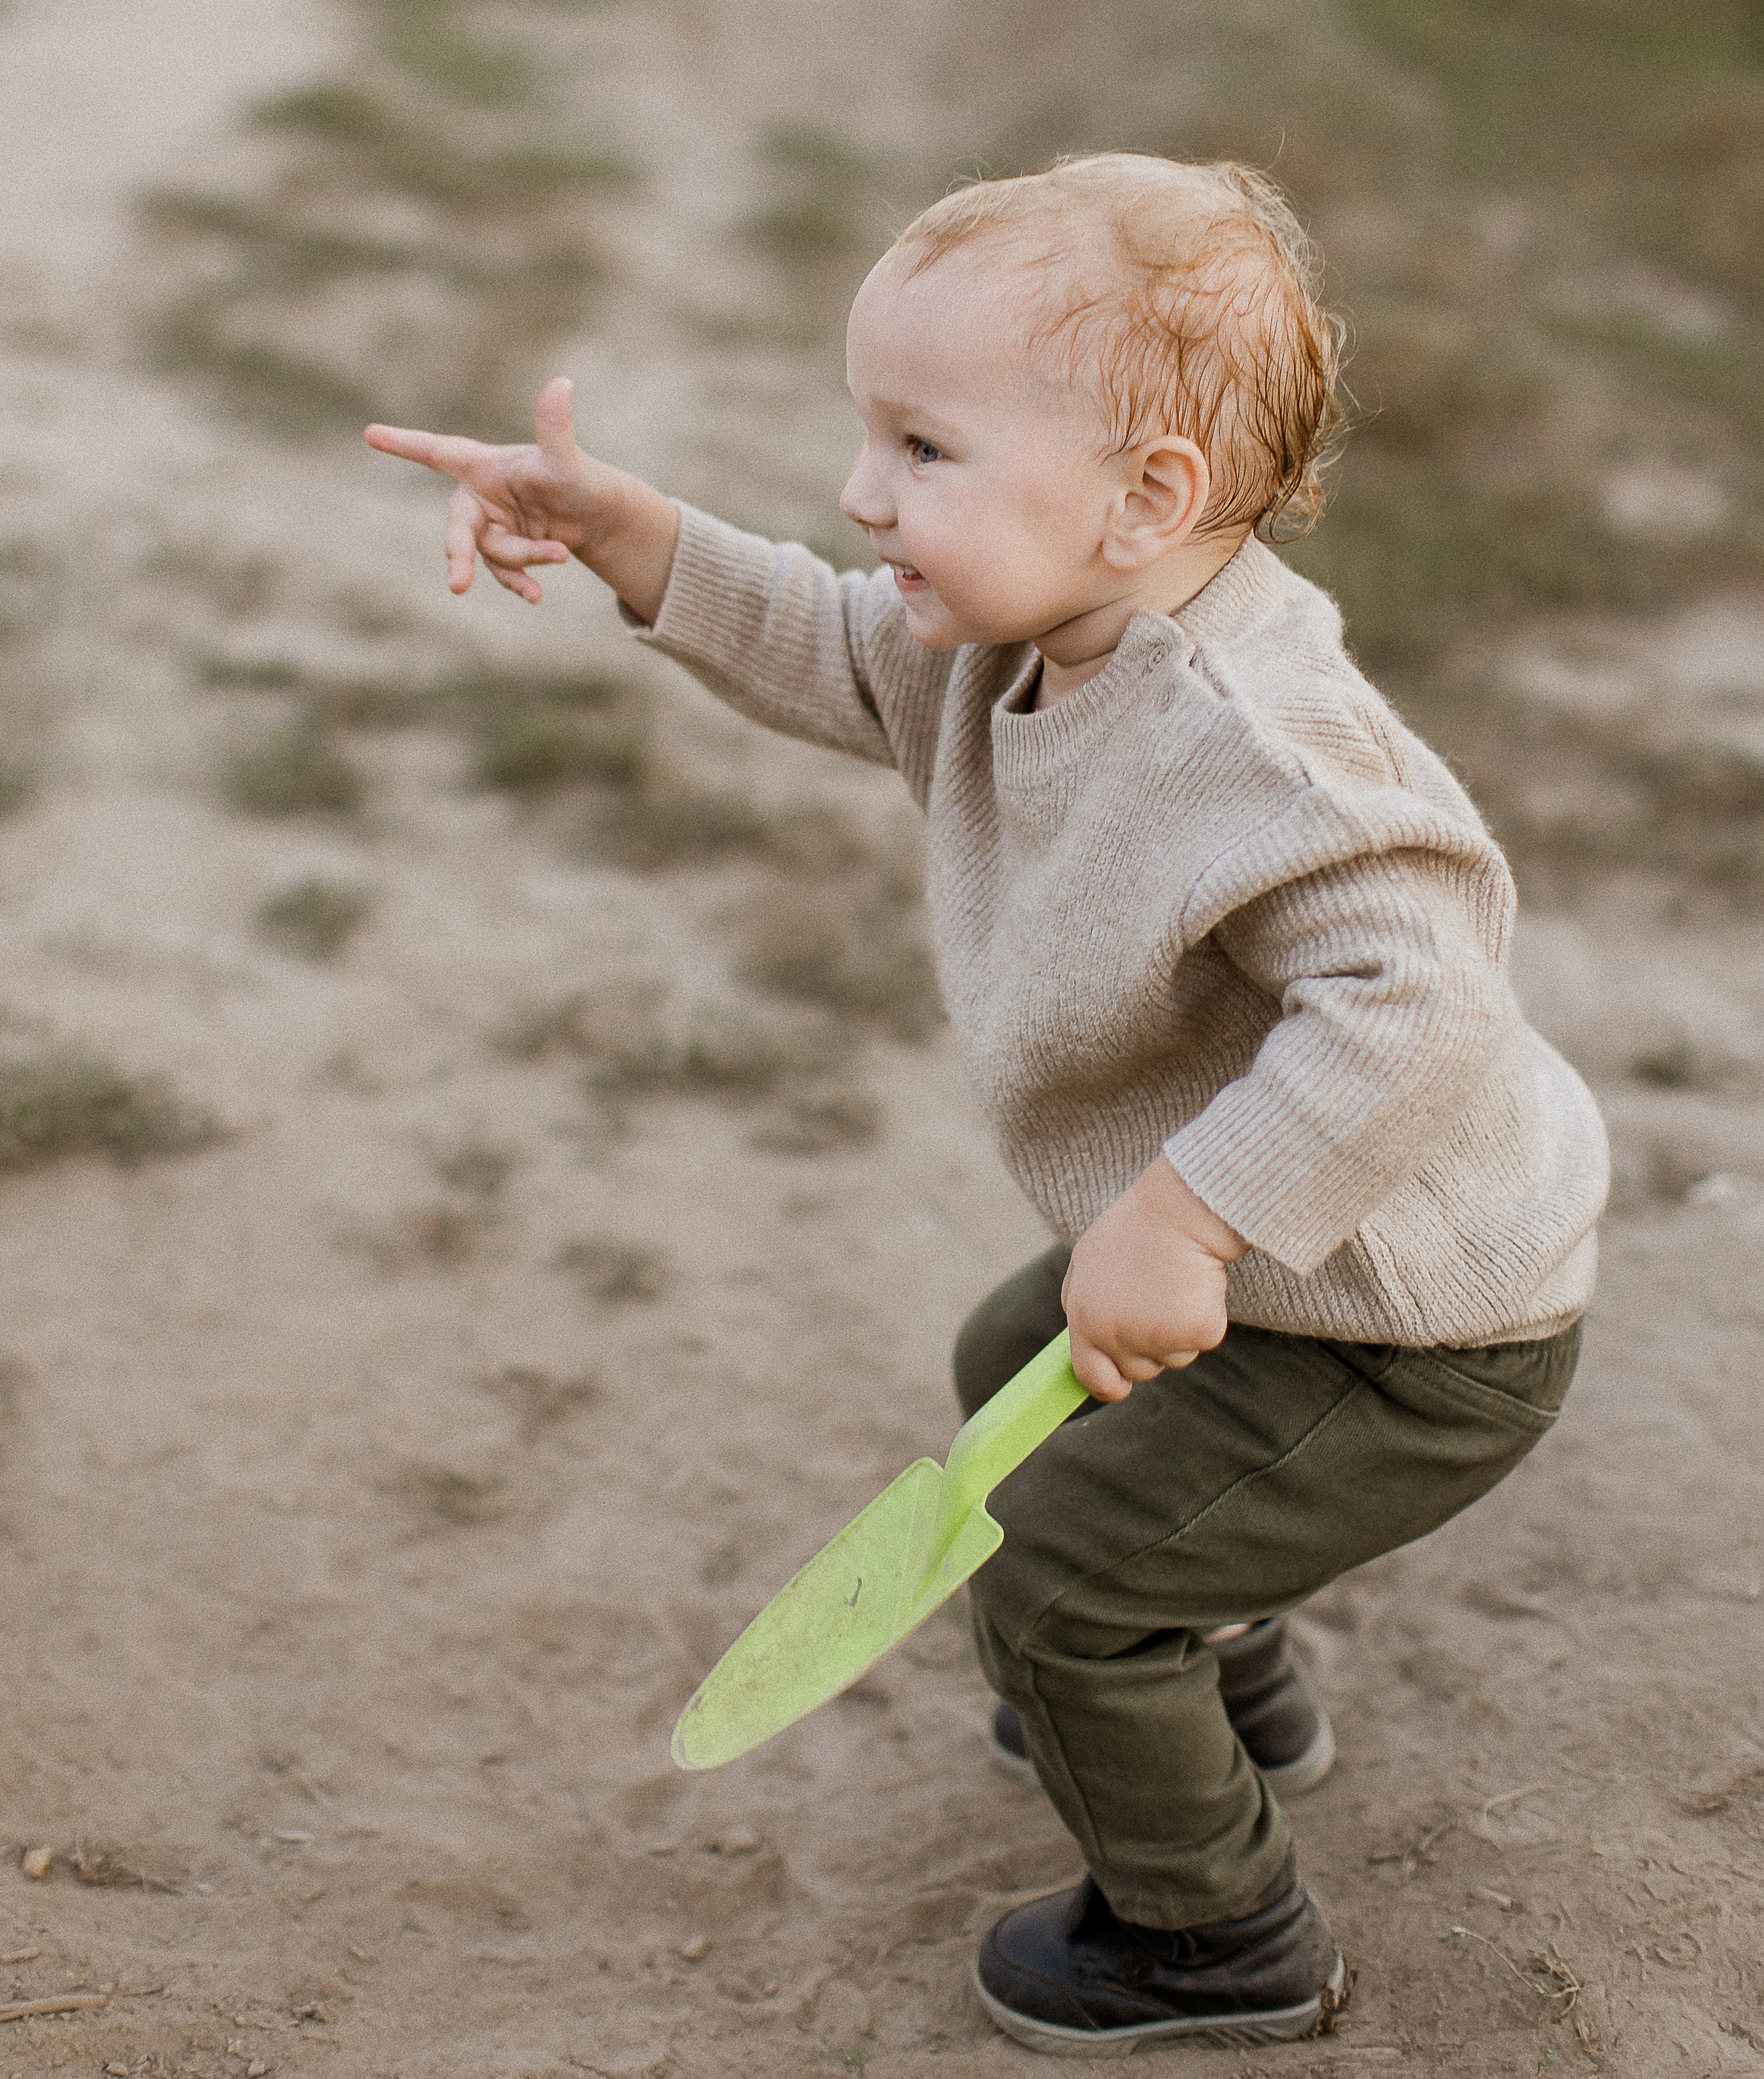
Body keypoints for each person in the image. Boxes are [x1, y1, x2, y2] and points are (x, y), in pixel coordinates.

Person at [367, 152, 1607, 2055]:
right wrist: (628, 534)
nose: (866, 495)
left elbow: (1426, 994)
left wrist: (1192, 1213)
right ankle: (1214, 1658)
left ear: (1149, 500)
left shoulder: (1249, 743)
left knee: (1050, 1592)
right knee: (1004, 1360)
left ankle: (1216, 1937)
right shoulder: (1022, 637)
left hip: (1406, 1318)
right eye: (870, 439)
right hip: (1301, 1268)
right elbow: (826, 637)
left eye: (922, 450)